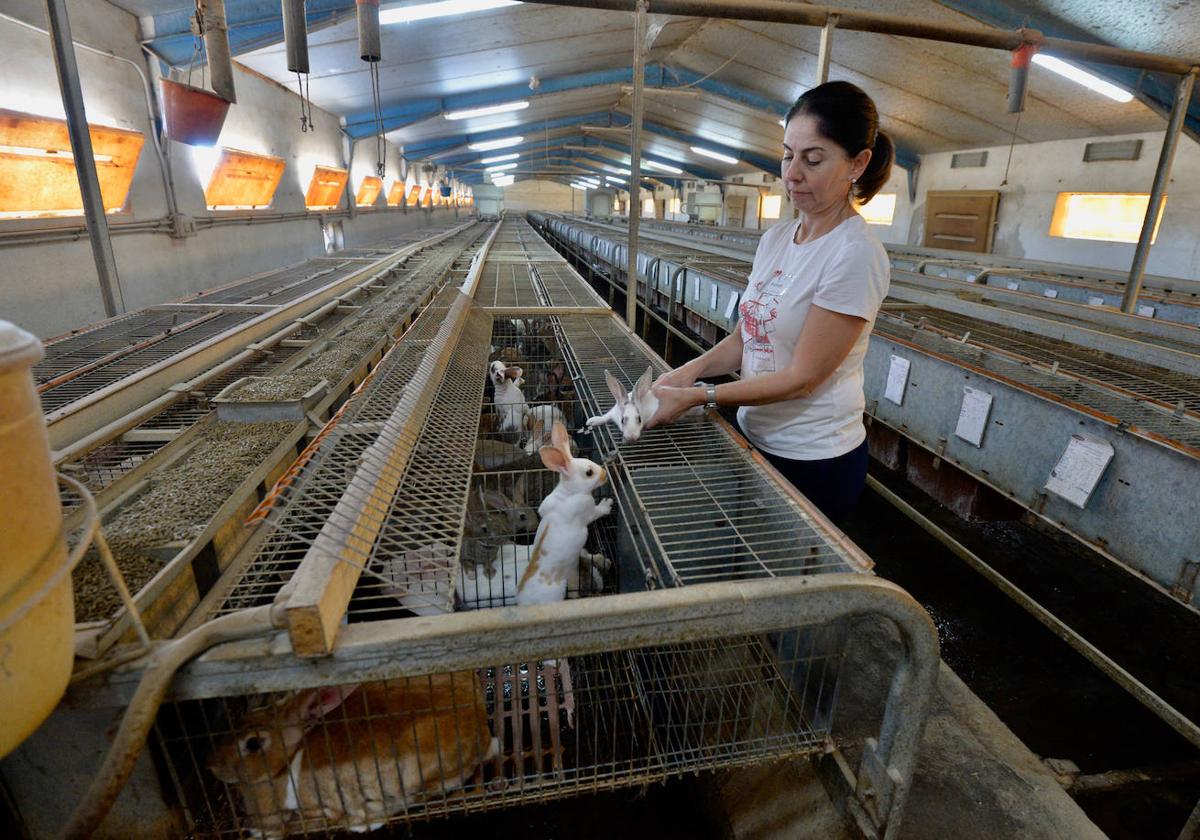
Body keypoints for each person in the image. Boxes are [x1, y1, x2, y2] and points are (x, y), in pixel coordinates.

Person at [648, 81, 893, 523]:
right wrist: (690, 371)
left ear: (858, 163)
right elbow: (747, 338)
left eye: (813, 159)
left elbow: (802, 379)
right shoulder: (777, 238)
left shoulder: (854, 253)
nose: (792, 173)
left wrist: (699, 397)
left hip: (812, 458)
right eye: (787, 155)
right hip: (753, 433)